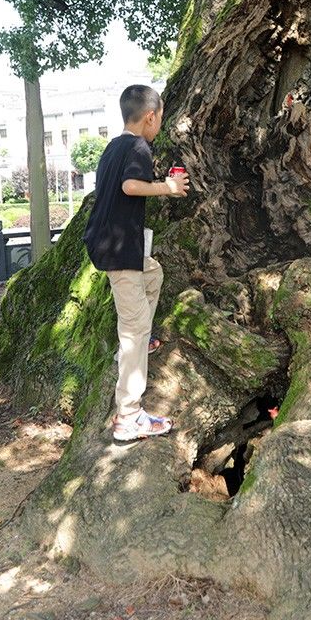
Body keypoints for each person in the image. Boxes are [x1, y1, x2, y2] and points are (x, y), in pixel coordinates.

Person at [82, 84, 191, 442]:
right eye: (159, 118)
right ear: (150, 117)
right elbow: (131, 186)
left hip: (114, 244)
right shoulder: (140, 146)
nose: (159, 124)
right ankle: (128, 417)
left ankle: (139, 342)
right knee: (133, 329)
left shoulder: (114, 146)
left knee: (154, 273)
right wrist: (169, 187)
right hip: (119, 251)